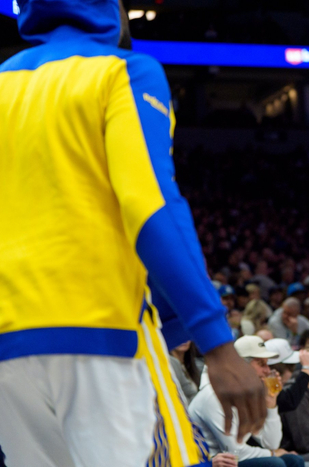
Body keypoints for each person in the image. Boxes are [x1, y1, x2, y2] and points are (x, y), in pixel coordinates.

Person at [0, 1, 266, 466]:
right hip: (100, 334)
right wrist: (217, 344)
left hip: (9, 347)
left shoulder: (3, 80)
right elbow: (151, 208)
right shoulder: (124, 71)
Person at [189, 336, 304, 467]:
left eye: (267, 364)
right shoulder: (213, 395)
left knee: (294, 461)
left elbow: (271, 443)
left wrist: (270, 402)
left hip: (231, 459)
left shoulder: (245, 393)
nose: (267, 370)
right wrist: (272, 454)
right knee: (275, 463)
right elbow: (235, 452)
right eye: (261, 364)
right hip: (211, 463)